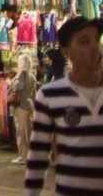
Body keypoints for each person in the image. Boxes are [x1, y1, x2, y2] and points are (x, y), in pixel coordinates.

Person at [25, 16, 103, 195]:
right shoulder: (50, 95)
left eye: (97, 40)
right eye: (84, 41)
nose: (95, 47)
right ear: (66, 52)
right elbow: (38, 155)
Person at [9, 53, 37, 164]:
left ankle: (23, 156)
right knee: (28, 131)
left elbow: (17, 87)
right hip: (29, 106)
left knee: (21, 132)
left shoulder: (22, 74)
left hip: (21, 106)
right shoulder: (32, 75)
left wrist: (10, 82)